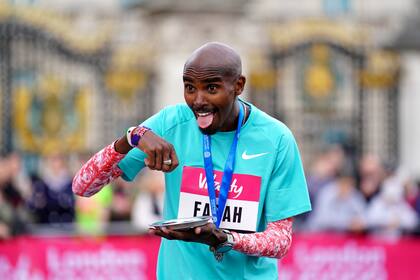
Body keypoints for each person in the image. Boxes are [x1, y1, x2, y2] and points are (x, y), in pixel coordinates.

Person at [72, 42, 311, 279]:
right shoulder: (170, 122)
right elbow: (83, 186)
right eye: (190, 88)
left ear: (238, 86)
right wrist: (131, 137)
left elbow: (280, 241)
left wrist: (226, 238)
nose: (198, 100)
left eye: (211, 88)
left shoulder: (277, 139)